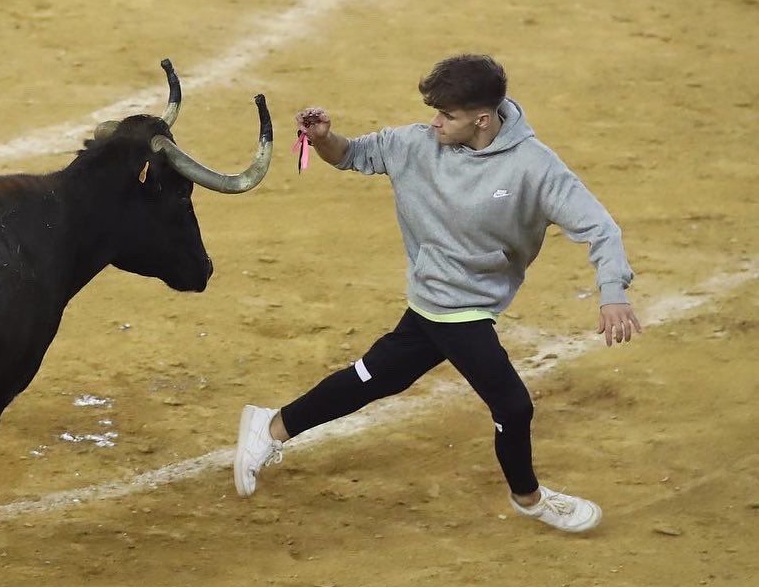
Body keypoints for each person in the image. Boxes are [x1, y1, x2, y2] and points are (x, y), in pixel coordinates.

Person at [234, 54, 641, 532]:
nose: (435, 122)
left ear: (482, 119)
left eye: (447, 115)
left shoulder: (535, 168)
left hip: (450, 304)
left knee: (377, 377)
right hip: (452, 306)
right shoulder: (413, 145)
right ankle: (529, 499)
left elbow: (600, 229)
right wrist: (324, 139)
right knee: (512, 405)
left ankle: (270, 426)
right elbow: (350, 155)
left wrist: (612, 291)